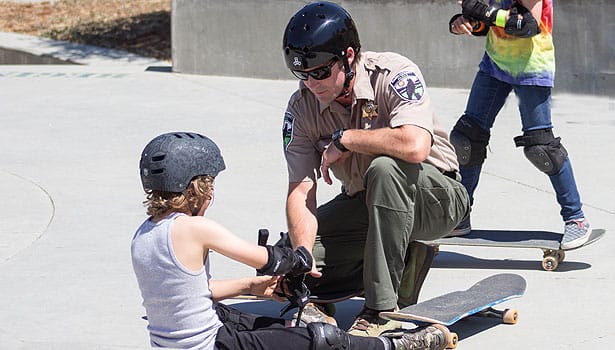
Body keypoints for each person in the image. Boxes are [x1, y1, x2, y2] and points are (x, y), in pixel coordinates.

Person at [131, 131, 451, 350]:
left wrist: (251, 287)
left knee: (271, 327)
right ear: (198, 187)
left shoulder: (144, 235)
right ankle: (396, 345)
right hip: (215, 344)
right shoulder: (193, 228)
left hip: (177, 343)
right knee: (322, 338)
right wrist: (298, 258)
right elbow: (265, 259)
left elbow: (187, 295)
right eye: (210, 185)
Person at [280, 2, 470, 337]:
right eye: (302, 74)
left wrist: (349, 139)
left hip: (436, 197)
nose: (312, 83)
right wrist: (303, 259)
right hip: (367, 204)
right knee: (285, 254)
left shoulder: (394, 73)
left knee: (385, 168)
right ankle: (330, 292)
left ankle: (382, 309)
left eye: (321, 72)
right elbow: (300, 189)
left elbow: (414, 146)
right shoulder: (301, 108)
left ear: (349, 56)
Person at [448, 0, 590, 249]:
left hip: (531, 67)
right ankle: (460, 215)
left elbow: (526, 25)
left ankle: (575, 219)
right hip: (494, 65)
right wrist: (462, 22)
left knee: (542, 147)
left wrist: (480, 9)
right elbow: (484, 23)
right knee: (467, 138)